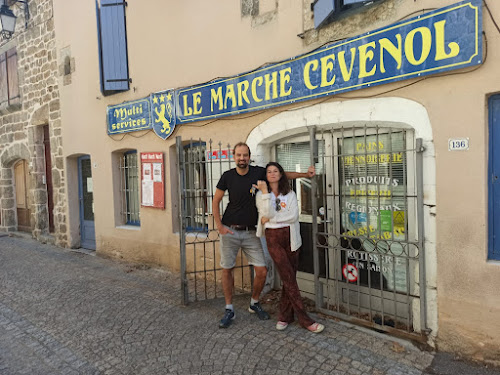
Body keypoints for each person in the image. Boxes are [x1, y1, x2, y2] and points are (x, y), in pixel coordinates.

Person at [213, 142, 315, 328]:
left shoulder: (258, 173)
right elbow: (216, 200)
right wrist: (219, 226)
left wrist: (304, 175)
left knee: (261, 271)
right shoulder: (227, 176)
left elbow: (282, 175)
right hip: (230, 230)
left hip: (251, 231)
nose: (242, 158)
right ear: (233, 156)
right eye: (238, 155)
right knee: (227, 268)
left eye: (245, 155)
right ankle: (229, 308)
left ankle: (254, 302)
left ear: (249, 156)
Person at [255, 162, 325, 333]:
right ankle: (305, 319)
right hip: (273, 238)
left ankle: (284, 316)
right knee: (288, 277)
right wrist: (265, 194)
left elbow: (293, 216)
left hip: (292, 238)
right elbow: (267, 214)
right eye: (269, 171)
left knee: (289, 278)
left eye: (275, 171)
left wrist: (272, 219)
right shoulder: (260, 195)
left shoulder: (290, 193)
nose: (272, 174)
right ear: (266, 175)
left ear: (281, 174)